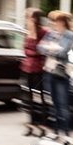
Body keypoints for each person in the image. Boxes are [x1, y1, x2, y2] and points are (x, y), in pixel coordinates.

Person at [38, 10, 73, 142]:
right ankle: (54, 132)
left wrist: (50, 48)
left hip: (61, 73)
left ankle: (67, 134)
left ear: (60, 22)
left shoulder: (69, 35)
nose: (51, 23)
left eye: (53, 20)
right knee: (52, 104)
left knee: (62, 105)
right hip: (49, 72)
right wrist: (52, 48)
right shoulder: (51, 34)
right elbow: (39, 47)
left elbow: (64, 53)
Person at [20, 8, 50, 137]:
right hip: (27, 68)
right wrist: (33, 52)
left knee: (40, 98)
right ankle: (31, 125)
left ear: (36, 18)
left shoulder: (43, 32)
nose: (28, 19)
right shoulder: (27, 32)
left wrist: (32, 52)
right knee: (29, 98)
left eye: (30, 17)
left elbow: (42, 50)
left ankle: (43, 125)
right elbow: (25, 50)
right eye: (27, 17)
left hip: (38, 69)